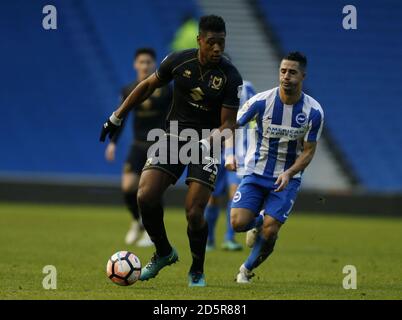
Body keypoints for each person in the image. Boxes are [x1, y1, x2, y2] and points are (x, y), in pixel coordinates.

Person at [100, 15, 243, 287]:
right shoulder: (178, 61)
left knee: (194, 212)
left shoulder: (230, 76)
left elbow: (228, 125)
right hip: (173, 137)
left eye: (221, 43)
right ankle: (164, 251)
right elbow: (147, 86)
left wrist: (207, 142)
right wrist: (117, 115)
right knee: (145, 195)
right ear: (199, 40)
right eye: (211, 42)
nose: (216, 49)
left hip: (207, 144)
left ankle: (197, 270)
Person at [229, 52, 324, 283]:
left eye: (292, 72)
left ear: (302, 75)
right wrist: (230, 153)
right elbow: (231, 125)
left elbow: (309, 151)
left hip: (288, 178)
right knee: (238, 223)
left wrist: (289, 172)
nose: (286, 76)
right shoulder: (262, 102)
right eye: (283, 71)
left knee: (271, 232)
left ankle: (246, 271)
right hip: (256, 172)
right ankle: (259, 220)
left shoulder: (313, 112)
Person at [105, 48, 172, 247]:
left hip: (159, 145)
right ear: (135, 65)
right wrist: (113, 143)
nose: (145, 66)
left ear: (154, 64)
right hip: (138, 145)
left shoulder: (166, 90)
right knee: (128, 187)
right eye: (141, 62)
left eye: (148, 62)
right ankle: (137, 221)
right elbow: (121, 117)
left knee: (153, 191)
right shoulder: (128, 90)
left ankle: (152, 234)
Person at [204, 80, 256, 251]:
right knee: (213, 197)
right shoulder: (207, 88)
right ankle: (209, 238)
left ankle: (229, 238)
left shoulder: (246, 88)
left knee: (235, 193)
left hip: (239, 152)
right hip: (214, 151)